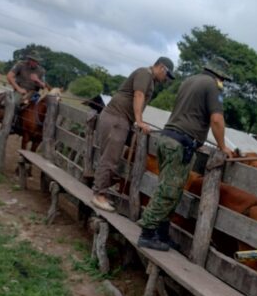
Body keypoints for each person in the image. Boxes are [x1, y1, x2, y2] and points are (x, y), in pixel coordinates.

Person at [137, 58, 235, 251]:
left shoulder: (190, 80)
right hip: (181, 144)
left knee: (169, 189)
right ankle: (147, 234)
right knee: (169, 191)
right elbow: (216, 119)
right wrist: (223, 146)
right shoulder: (213, 87)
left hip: (167, 138)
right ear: (220, 76)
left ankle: (162, 235)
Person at [90, 57, 175, 212]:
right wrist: (139, 121)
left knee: (110, 157)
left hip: (119, 119)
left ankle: (101, 192)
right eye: (167, 75)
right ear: (162, 68)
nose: (166, 79)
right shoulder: (145, 74)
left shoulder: (149, 78)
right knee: (110, 159)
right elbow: (139, 95)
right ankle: (99, 195)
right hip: (117, 118)